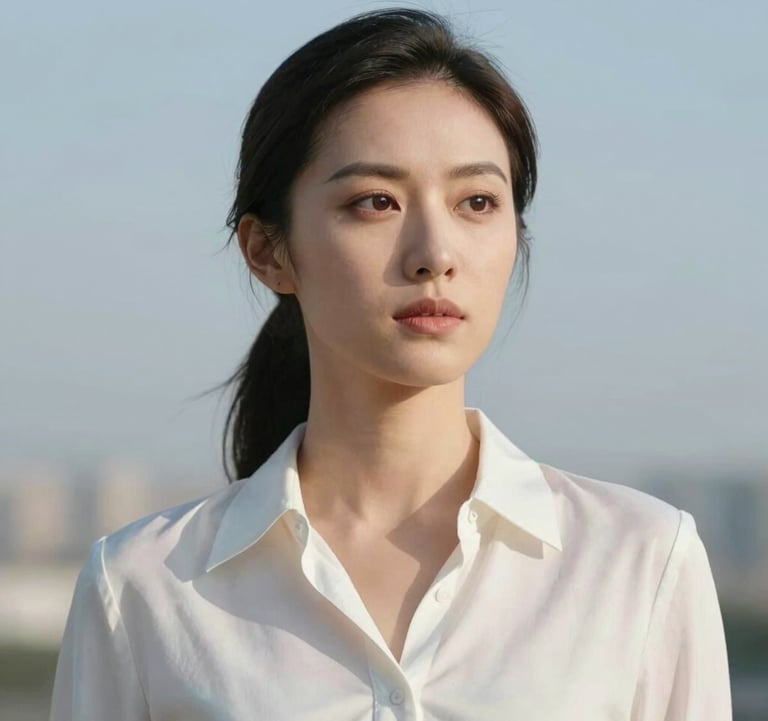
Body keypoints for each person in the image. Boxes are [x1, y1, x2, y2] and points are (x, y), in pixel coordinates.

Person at [50, 8, 732, 720]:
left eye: (476, 201)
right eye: (375, 201)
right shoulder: (143, 588)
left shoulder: (639, 561)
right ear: (268, 251)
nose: (435, 251)